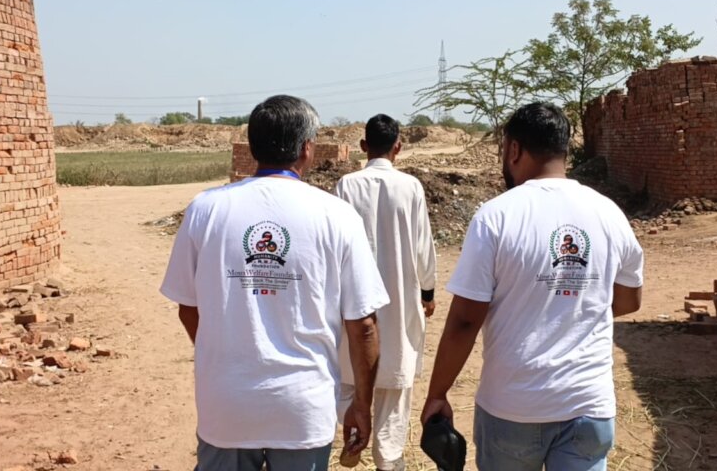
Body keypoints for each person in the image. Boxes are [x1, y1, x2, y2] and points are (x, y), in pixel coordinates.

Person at [161, 95, 390, 471]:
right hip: (303, 408)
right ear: (306, 148)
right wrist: (361, 405)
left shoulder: (206, 209)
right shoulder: (337, 215)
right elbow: (364, 326)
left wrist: (226, 352)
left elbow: (189, 307)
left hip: (227, 406)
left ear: (253, 147)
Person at [420, 102, 644, 471]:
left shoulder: (496, 216)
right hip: (588, 407)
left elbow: (464, 321)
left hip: (513, 408)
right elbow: (628, 300)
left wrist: (437, 393)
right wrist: (573, 300)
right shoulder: (609, 213)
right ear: (565, 150)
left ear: (513, 150)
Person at [335, 114, 437, 471]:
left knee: (350, 375)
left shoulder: (346, 185)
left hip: (355, 303)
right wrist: (427, 292)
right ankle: (388, 460)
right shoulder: (410, 187)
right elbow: (423, 246)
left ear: (363, 147)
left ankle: (353, 438)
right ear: (398, 147)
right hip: (399, 301)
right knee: (394, 388)